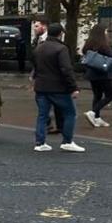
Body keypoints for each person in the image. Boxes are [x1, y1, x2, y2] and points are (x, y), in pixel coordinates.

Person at [31, 22, 83, 152]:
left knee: (42, 115)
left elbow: (36, 67)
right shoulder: (61, 49)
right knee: (70, 113)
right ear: (60, 34)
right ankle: (67, 141)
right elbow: (66, 69)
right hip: (58, 88)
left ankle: (40, 142)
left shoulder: (39, 48)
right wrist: (73, 87)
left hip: (41, 86)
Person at [81, 24, 112, 128]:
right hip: (103, 74)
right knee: (110, 96)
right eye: (106, 31)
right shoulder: (103, 45)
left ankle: (97, 118)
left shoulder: (88, 44)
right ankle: (93, 112)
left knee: (97, 95)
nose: (107, 34)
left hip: (92, 73)